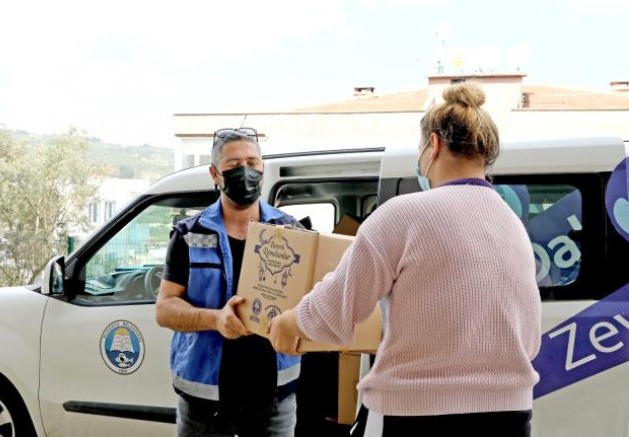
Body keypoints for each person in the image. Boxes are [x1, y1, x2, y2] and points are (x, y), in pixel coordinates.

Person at [268, 84, 542, 437]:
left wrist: (289, 323)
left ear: (434, 145)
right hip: (510, 415)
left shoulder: (403, 214)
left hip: (417, 414)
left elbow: (336, 308)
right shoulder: (512, 225)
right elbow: (529, 336)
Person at [156, 127, 301, 437]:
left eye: (252, 163)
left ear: (263, 168)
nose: (245, 172)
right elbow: (165, 310)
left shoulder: (291, 231)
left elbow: (308, 298)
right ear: (215, 174)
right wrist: (215, 319)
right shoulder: (189, 234)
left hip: (274, 398)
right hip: (205, 400)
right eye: (234, 165)